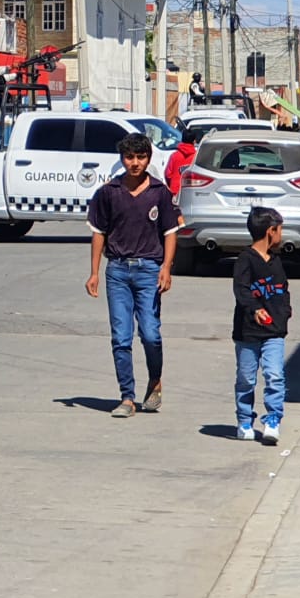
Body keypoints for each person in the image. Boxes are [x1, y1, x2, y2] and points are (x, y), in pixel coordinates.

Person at [86, 133, 181, 418]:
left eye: (141, 158)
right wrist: (94, 273)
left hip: (149, 271)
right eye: (130, 158)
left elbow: (170, 233)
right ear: (122, 159)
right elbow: (98, 233)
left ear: (148, 159)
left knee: (150, 334)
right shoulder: (108, 193)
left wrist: (166, 267)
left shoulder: (159, 193)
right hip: (117, 271)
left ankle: (155, 381)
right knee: (121, 337)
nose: (135, 163)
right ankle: (127, 397)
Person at [232, 207, 291, 445]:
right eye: (280, 230)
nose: (281, 235)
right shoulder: (245, 260)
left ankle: (273, 419)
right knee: (246, 378)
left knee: (275, 375)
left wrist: (285, 312)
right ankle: (244, 421)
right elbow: (241, 290)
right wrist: (255, 309)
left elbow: (283, 289)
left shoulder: (276, 262)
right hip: (248, 333)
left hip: (274, 333)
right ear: (270, 231)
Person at [164, 126, 201, 199]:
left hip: (175, 191)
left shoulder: (174, 156)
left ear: (182, 139)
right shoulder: (196, 157)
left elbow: (167, 174)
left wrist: (172, 184)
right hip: (191, 192)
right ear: (194, 141)